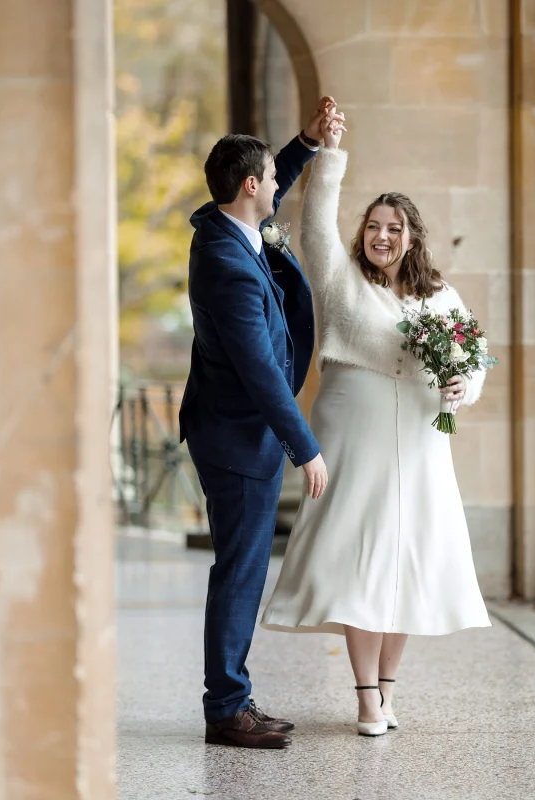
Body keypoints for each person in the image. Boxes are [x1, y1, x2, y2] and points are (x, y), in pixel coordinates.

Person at [261, 111, 491, 737]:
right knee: (360, 560)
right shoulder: (340, 281)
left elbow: (473, 362)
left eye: (394, 228)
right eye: (373, 226)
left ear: (413, 238)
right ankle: (365, 697)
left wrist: (462, 387)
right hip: (351, 430)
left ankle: (388, 690)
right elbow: (315, 219)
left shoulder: (440, 297)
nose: (381, 236)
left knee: (408, 561)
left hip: (420, 440)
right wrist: (329, 152)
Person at [179, 97, 345, 749]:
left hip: (232, 429)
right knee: (241, 571)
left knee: (241, 567)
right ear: (250, 188)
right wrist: (303, 447)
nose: (278, 183)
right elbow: (260, 373)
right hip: (236, 436)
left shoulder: (228, 226)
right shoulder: (226, 267)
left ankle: (233, 697)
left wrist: (304, 142)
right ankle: (226, 708)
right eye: (272, 178)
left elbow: (270, 169)